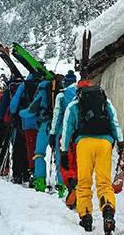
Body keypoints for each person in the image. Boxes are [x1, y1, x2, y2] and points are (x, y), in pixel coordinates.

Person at [60, 79, 123, 233]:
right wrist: (120, 142)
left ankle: (86, 216)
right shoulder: (105, 103)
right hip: (105, 144)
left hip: (84, 144)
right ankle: (108, 210)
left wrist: (63, 151)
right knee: (104, 183)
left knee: (84, 182)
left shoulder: (73, 105)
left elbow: (66, 128)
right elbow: (114, 122)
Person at [20, 76, 56, 192]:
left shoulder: (42, 89)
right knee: (59, 155)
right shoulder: (62, 92)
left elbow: (31, 110)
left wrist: (20, 113)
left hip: (45, 125)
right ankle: (62, 186)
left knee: (39, 153)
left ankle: (40, 182)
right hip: (58, 126)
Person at [51, 70, 78, 206]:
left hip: (64, 133)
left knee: (64, 160)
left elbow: (57, 116)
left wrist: (52, 133)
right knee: (76, 162)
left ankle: (64, 187)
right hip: (78, 135)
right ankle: (78, 187)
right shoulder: (80, 94)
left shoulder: (61, 95)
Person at [11, 73, 41, 186]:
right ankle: (32, 174)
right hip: (42, 123)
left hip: (26, 123)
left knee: (20, 148)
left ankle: (19, 175)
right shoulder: (44, 85)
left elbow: (14, 105)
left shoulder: (24, 85)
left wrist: (17, 114)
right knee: (37, 151)